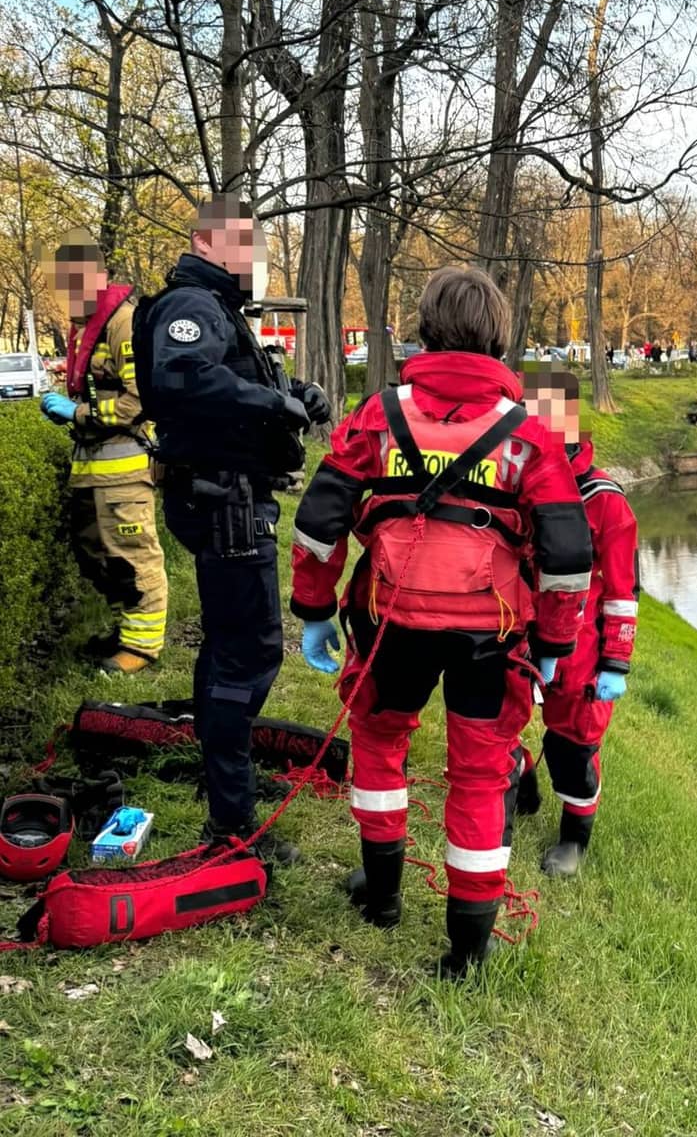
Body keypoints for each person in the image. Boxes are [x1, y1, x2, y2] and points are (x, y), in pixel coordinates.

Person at [290, 266, 592, 978]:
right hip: (490, 632)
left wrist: (311, 608)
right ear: (497, 334)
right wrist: (553, 641)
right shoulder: (529, 436)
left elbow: (320, 523)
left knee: (379, 741)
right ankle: (468, 949)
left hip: (389, 619)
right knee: (482, 775)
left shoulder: (378, 415)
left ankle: (382, 895)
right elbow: (566, 555)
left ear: (423, 326)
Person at [139, 193, 330, 860]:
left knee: (227, 650)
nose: (258, 262)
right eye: (250, 246)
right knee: (246, 656)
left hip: (231, 499)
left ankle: (224, 781)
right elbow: (183, 377)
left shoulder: (219, 308)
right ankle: (231, 823)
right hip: (224, 506)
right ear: (211, 242)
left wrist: (294, 395)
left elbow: (237, 383)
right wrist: (269, 400)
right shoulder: (192, 305)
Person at [517, 372, 638, 877]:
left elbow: (622, 592)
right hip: (516, 631)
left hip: (579, 654)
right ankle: (519, 776)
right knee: (494, 718)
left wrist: (615, 661)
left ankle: (574, 840)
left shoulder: (604, 500)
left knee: (573, 746)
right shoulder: (514, 479)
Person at [39, 231, 167, 674]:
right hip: (91, 464)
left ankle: (142, 648)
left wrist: (76, 412)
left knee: (133, 554)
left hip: (125, 466)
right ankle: (126, 627)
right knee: (95, 551)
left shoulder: (122, 321)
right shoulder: (84, 324)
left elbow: (138, 402)